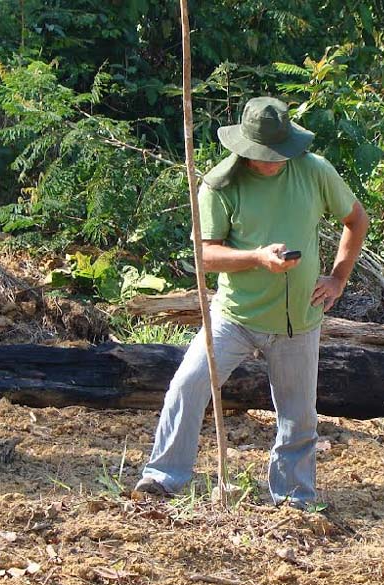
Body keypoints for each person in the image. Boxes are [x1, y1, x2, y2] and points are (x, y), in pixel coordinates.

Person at [134, 96, 369, 509]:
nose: (272, 162)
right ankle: (163, 476)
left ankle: (294, 499)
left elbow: (356, 220)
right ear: (244, 147)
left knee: (299, 417)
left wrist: (337, 279)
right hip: (234, 316)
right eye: (264, 155)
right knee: (188, 385)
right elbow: (205, 257)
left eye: (280, 154)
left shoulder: (315, 171)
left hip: (298, 319)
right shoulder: (220, 185)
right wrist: (257, 258)